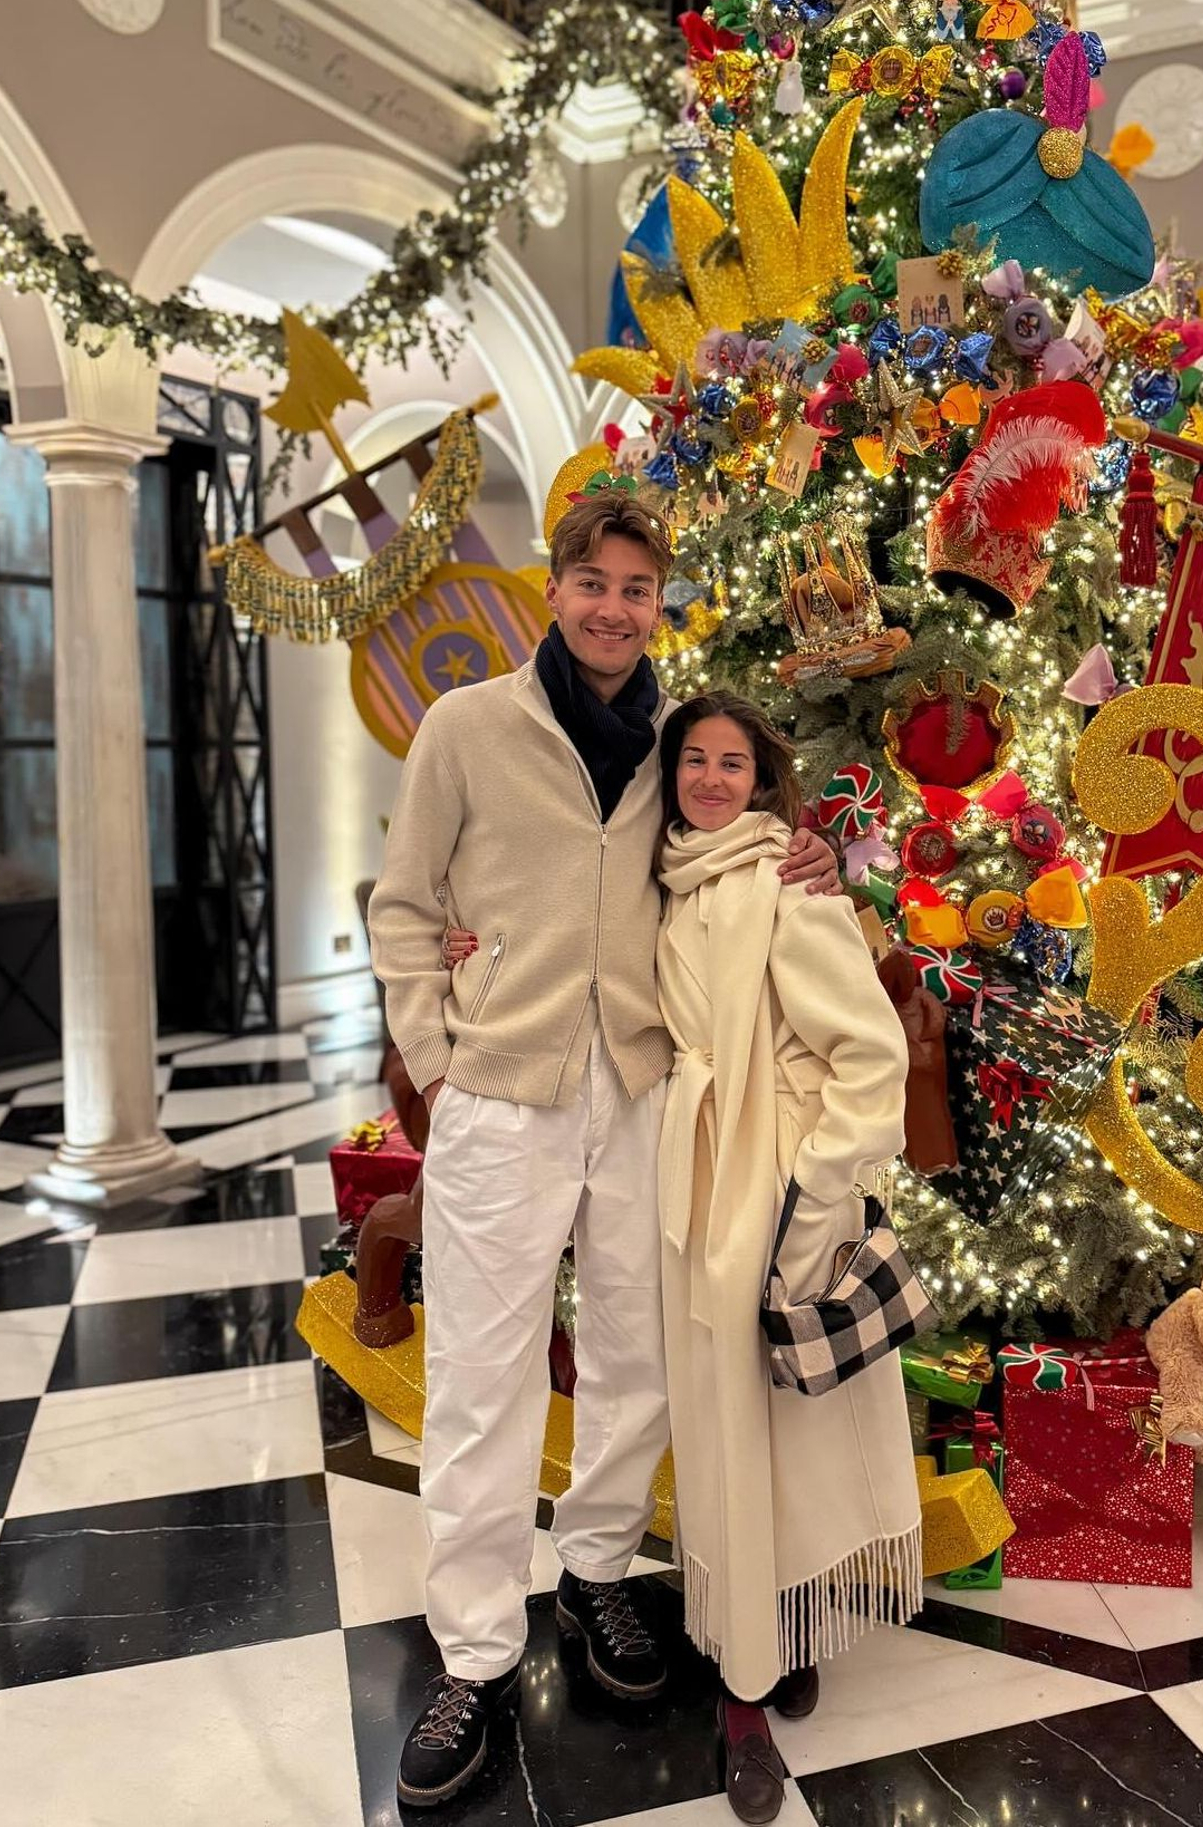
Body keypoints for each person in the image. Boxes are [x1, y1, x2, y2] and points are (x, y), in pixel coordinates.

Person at [367, 495, 837, 1810]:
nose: (615, 605)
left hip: (641, 1089)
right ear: (556, 585)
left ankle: (596, 1569)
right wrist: (442, 1060)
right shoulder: (468, 728)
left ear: (657, 600)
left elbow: (741, 835)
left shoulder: (682, 742)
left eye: (638, 585)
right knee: (480, 1366)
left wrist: (806, 853)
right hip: (504, 1094)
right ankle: (469, 1653)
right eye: (594, 580)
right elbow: (406, 907)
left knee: (637, 1348)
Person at [656, 692, 923, 1825]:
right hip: (694, 1177)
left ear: (762, 780)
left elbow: (868, 1054)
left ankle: (752, 1687)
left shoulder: (782, 882)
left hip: (770, 1182)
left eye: (734, 763)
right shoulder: (666, 882)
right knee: (725, 1429)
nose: (713, 780)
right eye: (695, 760)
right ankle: (763, 1634)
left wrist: (814, 1196)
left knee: (784, 1424)